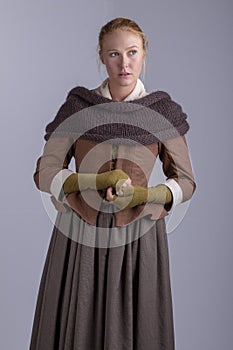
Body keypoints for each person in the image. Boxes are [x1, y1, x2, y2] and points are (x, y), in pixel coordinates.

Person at [29, 17, 196, 350]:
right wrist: (95, 180)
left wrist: (144, 194)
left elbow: (186, 181)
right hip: (80, 233)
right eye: (114, 54)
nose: (124, 63)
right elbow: (45, 171)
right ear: (102, 57)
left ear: (144, 54)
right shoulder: (79, 108)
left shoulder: (162, 113)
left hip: (140, 237)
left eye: (132, 52)